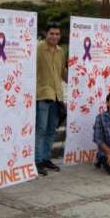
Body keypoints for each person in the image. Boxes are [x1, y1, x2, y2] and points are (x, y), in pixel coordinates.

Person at [35, 23, 67, 176]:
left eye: (57, 34)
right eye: (51, 33)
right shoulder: (37, 49)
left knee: (51, 129)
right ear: (45, 34)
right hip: (42, 94)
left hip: (57, 95)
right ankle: (37, 160)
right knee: (40, 129)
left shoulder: (61, 51)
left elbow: (62, 73)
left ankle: (46, 158)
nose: (54, 36)